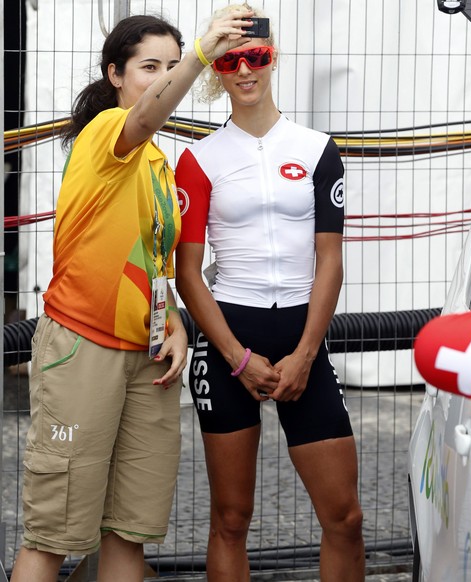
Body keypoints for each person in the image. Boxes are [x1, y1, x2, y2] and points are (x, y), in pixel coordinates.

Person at [10, 10, 256, 582]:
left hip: (148, 360)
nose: (165, 77)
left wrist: (173, 321)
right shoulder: (107, 132)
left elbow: (152, 261)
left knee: (131, 531)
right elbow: (146, 115)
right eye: (150, 67)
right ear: (115, 74)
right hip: (83, 348)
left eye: (172, 66)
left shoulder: (157, 163)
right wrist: (199, 53)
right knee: (53, 533)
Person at [174, 4, 365, 581]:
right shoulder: (198, 158)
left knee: (345, 517)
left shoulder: (316, 148)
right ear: (217, 69)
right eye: (231, 60)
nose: (245, 70)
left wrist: (307, 354)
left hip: (301, 336)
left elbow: (329, 260)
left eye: (256, 56)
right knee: (231, 519)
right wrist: (236, 357)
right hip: (230, 337)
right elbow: (188, 271)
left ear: (272, 57)